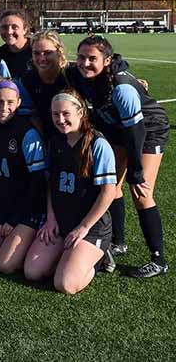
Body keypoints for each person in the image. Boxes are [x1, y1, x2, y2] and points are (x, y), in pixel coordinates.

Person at [70, 35, 170, 278]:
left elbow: (137, 132)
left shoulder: (122, 88)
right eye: (81, 57)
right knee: (110, 186)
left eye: (92, 58)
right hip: (118, 128)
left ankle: (158, 260)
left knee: (142, 193)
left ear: (107, 60)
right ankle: (118, 242)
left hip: (148, 129)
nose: (85, 63)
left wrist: (135, 170)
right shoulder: (80, 75)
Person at [24, 90, 117, 294]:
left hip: (90, 227)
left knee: (65, 284)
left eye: (66, 113)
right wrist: (50, 219)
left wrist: (83, 227)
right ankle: (69, 257)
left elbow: (109, 192)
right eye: (55, 114)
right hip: (61, 221)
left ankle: (100, 256)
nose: (60, 119)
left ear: (81, 112)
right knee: (32, 272)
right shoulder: (56, 142)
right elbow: (51, 185)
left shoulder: (98, 144)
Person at [0, 80, 46, 274]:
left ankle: (31, 244)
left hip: (27, 208)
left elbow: (37, 183)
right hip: (2, 205)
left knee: (5, 265)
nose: (4, 107)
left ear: (19, 102)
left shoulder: (27, 133)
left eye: (10, 102)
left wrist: (13, 220)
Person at [21, 30, 73, 141]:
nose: (42, 58)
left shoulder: (71, 77)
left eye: (48, 52)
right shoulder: (28, 80)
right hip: (42, 139)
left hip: (71, 138)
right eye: (36, 53)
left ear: (59, 52)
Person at [0, 10, 32, 81]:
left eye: (15, 27)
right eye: (4, 27)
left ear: (25, 29)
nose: (9, 32)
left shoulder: (37, 49)